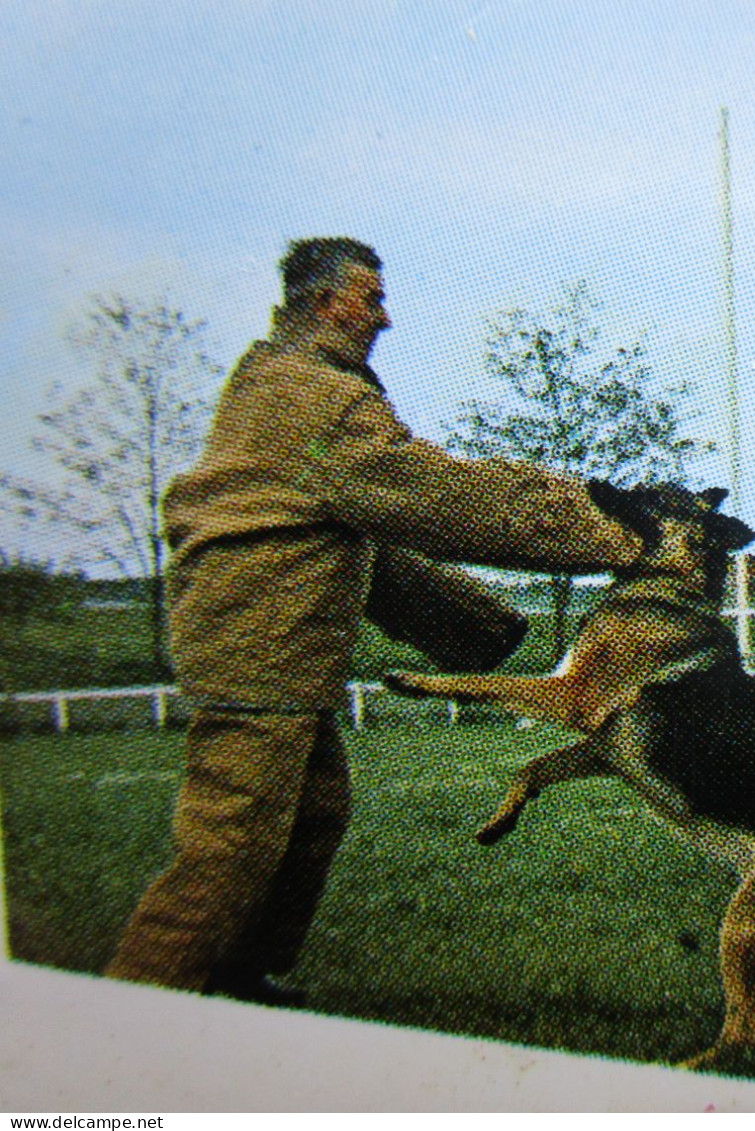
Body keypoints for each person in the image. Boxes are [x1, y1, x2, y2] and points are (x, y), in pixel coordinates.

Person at [104, 238, 644, 1005]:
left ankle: (233, 976)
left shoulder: (275, 381)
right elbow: (443, 498)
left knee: (313, 814)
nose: (385, 319)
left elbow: (351, 531)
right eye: (374, 298)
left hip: (265, 644)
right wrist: (614, 528)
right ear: (328, 303)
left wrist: (476, 625)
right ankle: (133, 1007)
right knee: (230, 846)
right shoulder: (315, 397)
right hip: (260, 647)